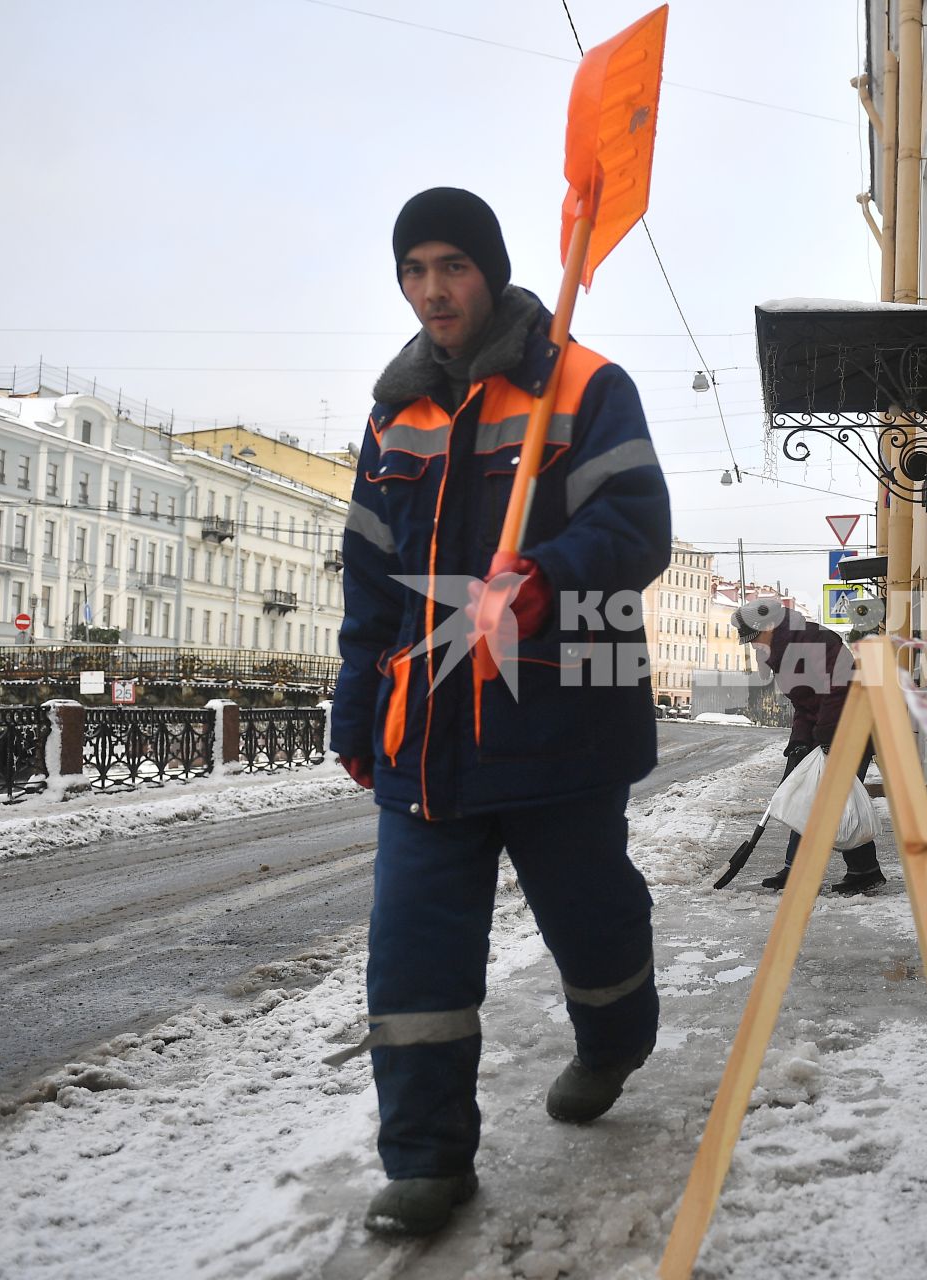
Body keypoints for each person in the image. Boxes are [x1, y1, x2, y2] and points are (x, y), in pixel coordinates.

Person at [327, 187, 671, 1237]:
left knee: (591, 919)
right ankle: (427, 1157)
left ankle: (614, 1038)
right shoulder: (395, 413)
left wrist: (548, 574)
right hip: (425, 741)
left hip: (557, 729)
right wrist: (354, 703)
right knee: (413, 950)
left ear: (492, 269)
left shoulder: (583, 385)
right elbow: (370, 578)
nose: (433, 288)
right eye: (414, 269)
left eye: (452, 266)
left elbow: (640, 522)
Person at [732, 598, 886, 896]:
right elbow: (803, 705)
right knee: (810, 796)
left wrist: (827, 736)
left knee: (832, 800)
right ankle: (845, 870)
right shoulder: (781, 654)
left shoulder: (817, 641)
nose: (753, 647)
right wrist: (800, 742)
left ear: (769, 627)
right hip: (826, 731)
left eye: (754, 639)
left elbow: (840, 689)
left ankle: (843, 871)